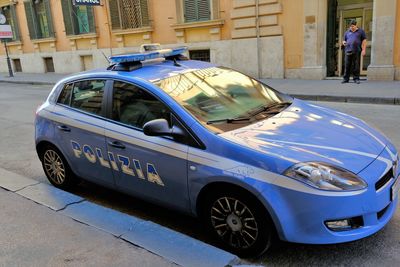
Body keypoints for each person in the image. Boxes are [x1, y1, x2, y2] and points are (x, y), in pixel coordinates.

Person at [341, 19, 367, 84]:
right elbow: (344, 40)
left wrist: (364, 50)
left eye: (353, 26)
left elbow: (364, 41)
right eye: (350, 26)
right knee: (347, 65)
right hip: (347, 50)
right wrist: (343, 42)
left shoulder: (361, 31)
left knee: (356, 65)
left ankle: (356, 79)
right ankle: (346, 79)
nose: (351, 27)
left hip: (357, 50)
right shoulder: (347, 32)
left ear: (356, 25)